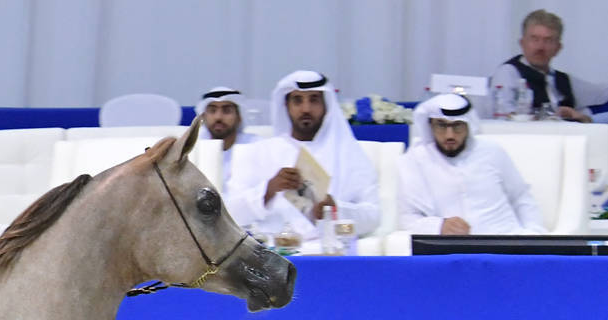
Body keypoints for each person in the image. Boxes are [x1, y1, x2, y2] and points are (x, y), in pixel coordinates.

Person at [225, 70, 381, 247]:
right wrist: (267, 191)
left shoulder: (349, 155)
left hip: (328, 252)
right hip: (270, 255)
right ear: (286, 106)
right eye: (297, 100)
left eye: (314, 99)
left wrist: (335, 209)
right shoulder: (258, 152)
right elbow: (230, 214)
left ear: (326, 106)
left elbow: (373, 216)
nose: (306, 109)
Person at [397, 94, 544, 237]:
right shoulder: (415, 160)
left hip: (505, 241)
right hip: (454, 248)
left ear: (469, 125)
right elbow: (406, 217)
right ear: (430, 126)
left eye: (457, 126)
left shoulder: (492, 151)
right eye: (441, 125)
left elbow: (521, 197)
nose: (450, 135)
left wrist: (533, 234)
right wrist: (438, 226)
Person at [491, 10, 608, 123]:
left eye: (548, 40)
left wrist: (584, 117)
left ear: (558, 48)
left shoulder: (563, 80)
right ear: (522, 43)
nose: (540, 47)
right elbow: (504, 119)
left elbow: (602, 93)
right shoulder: (508, 73)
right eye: (534, 39)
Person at [196, 87, 255, 189]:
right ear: (203, 117)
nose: (218, 117)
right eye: (212, 111)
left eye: (227, 111)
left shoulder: (255, 147)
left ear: (239, 117)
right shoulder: (192, 150)